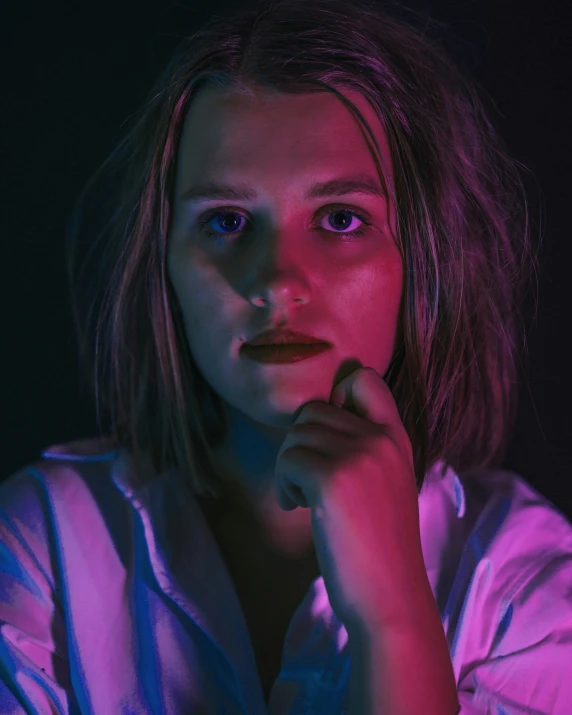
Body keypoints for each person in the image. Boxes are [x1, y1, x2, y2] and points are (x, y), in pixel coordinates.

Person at [1, 0, 570, 712]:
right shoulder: (42, 550)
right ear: (166, 263)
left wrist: (393, 616)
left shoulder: (525, 586)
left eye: (340, 219)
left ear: (421, 256)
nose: (275, 279)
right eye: (227, 222)